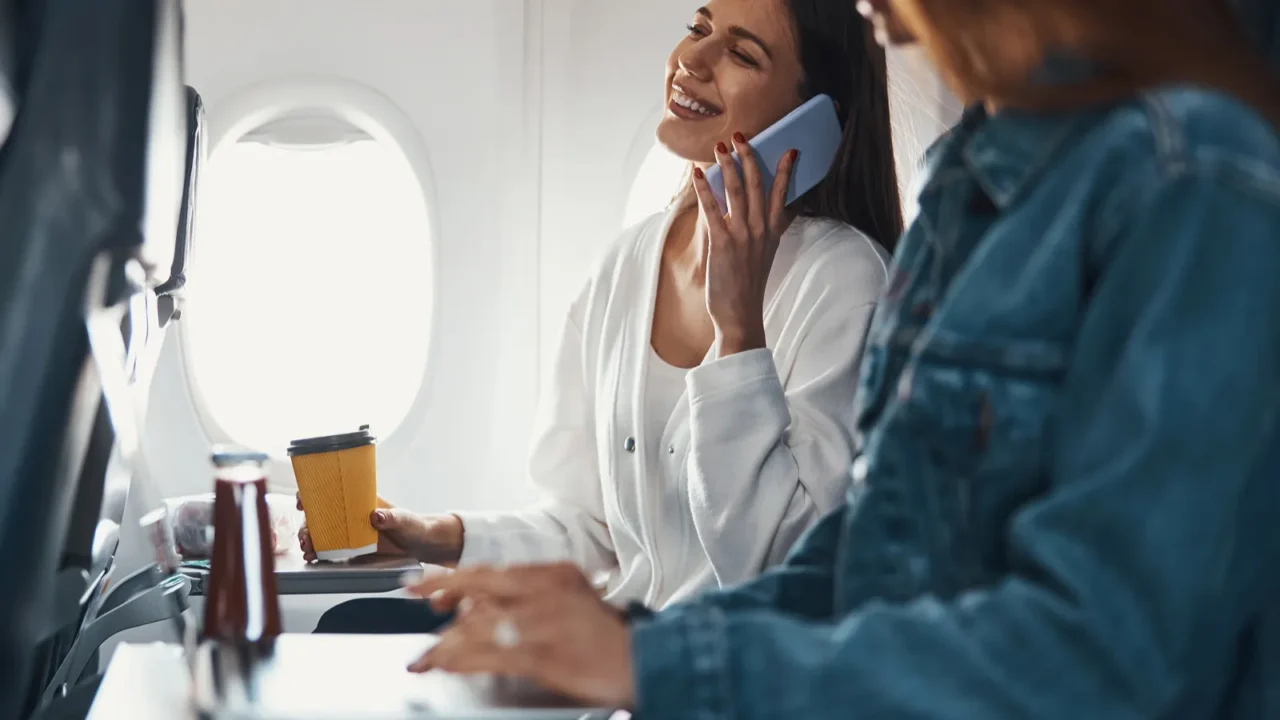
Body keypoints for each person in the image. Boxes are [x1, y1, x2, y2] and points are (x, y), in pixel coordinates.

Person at [401, 0, 1280, 717]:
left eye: (742, 51)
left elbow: (1114, 655)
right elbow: (869, 562)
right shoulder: (962, 188)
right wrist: (637, 644)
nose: (696, 59)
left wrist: (661, 667)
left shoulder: (1188, 174)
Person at [305, 0, 903, 633]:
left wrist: (739, 334)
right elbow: (586, 528)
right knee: (351, 626)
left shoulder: (843, 280)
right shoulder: (627, 261)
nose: (691, 60)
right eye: (699, 28)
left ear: (814, 119)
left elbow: (780, 566)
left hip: (727, 666)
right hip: (620, 646)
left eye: (741, 53)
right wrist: (435, 537)